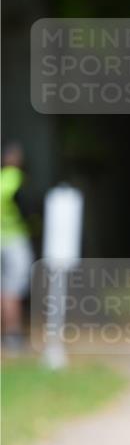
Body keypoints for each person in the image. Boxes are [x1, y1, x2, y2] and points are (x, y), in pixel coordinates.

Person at [1, 142, 34, 353]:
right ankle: (13, 333)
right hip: (14, 239)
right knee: (14, 288)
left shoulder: (2, 178)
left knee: (4, 287)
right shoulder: (16, 180)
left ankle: (7, 333)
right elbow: (26, 208)